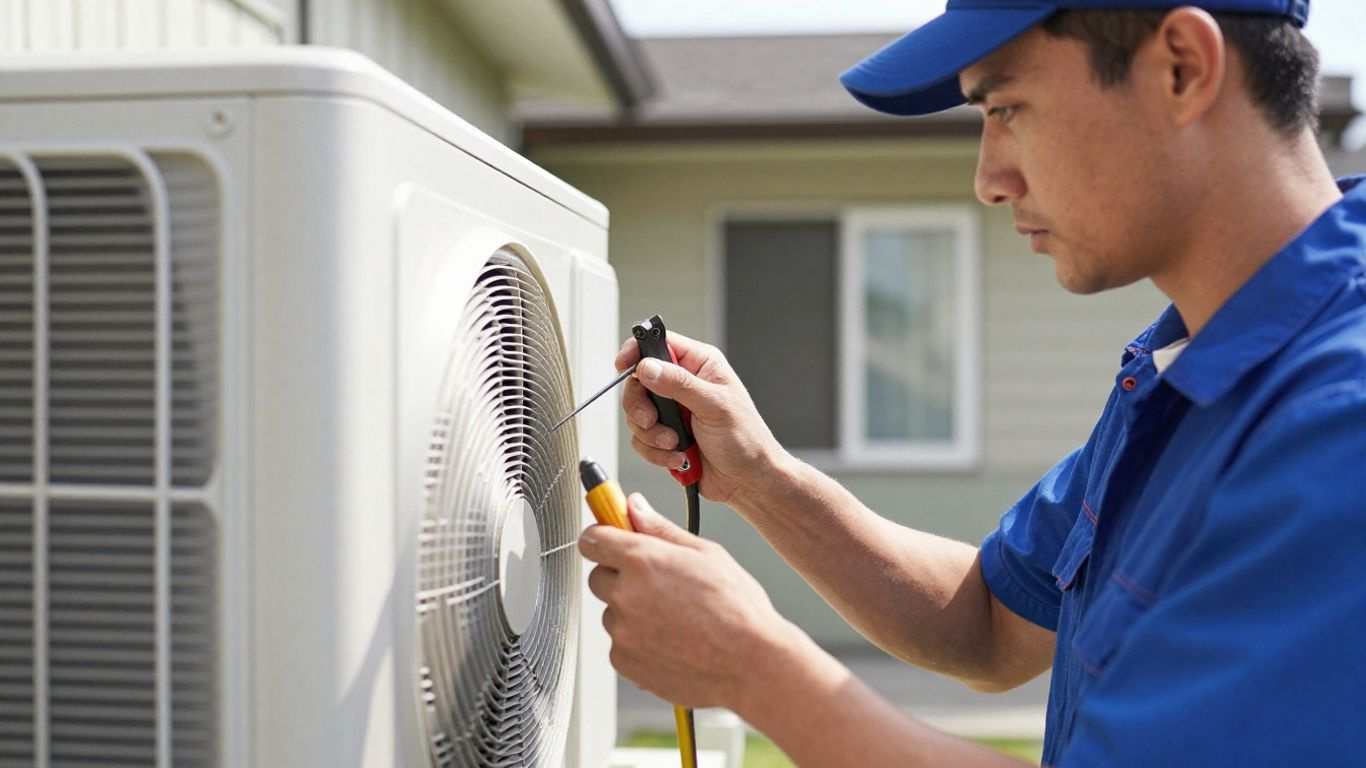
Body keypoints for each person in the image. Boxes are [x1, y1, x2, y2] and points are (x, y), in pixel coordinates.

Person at [577, 0, 1366, 764]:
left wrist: (751, 665)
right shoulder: (1182, 368)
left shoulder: (1338, 426)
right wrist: (759, 477)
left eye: (1008, 107)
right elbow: (990, 622)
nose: (988, 180)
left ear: (1181, 69)